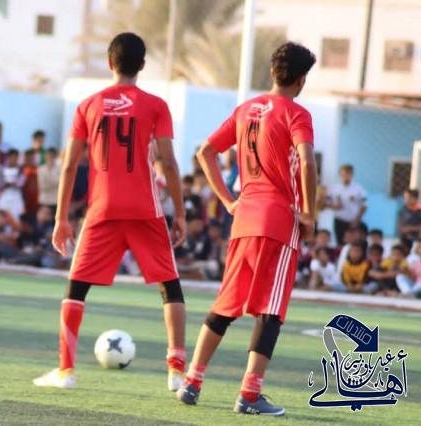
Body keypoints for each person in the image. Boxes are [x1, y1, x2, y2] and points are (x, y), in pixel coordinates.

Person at [33, 33, 187, 392]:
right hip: (146, 209)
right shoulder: (156, 105)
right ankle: (177, 372)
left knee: (76, 288)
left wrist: (61, 218)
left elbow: (69, 165)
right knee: (170, 285)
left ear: (109, 62)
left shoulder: (88, 105)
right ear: (142, 65)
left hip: (102, 209)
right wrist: (179, 213)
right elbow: (168, 163)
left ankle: (65, 372)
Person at [177, 42, 317, 417]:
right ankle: (250, 394)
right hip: (277, 221)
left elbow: (205, 151)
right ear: (301, 80)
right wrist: (309, 212)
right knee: (270, 310)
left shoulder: (245, 110)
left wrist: (227, 200)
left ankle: (192, 381)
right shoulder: (297, 114)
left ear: (272, 72)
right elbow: (306, 162)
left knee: (226, 304)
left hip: (243, 219)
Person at [328, 164, 367, 246]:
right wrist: (334, 206)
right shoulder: (334, 188)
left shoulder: (358, 189)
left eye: (348, 174)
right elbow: (326, 204)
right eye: (344, 174)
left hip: (353, 221)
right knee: (340, 243)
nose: (346, 176)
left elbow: (364, 206)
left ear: (352, 175)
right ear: (340, 175)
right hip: (339, 220)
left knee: (355, 244)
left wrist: (357, 220)